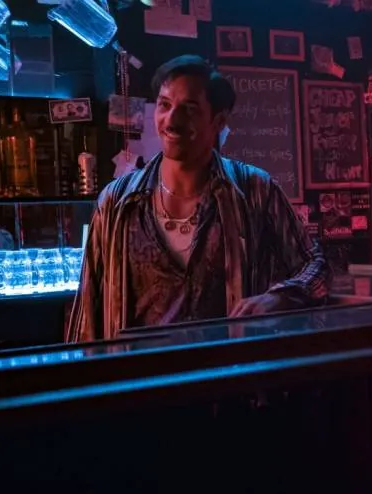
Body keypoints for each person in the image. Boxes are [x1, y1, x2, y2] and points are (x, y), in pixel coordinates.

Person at [68, 55, 331, 342]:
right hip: (140, 369)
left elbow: (316, 266)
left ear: (218, 120)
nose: (172, 121)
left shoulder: (255, 190)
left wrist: (278, 298)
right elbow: (87, 311)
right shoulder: (117, 201)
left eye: (189, 109)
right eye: (165, 105)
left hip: (227, 367)